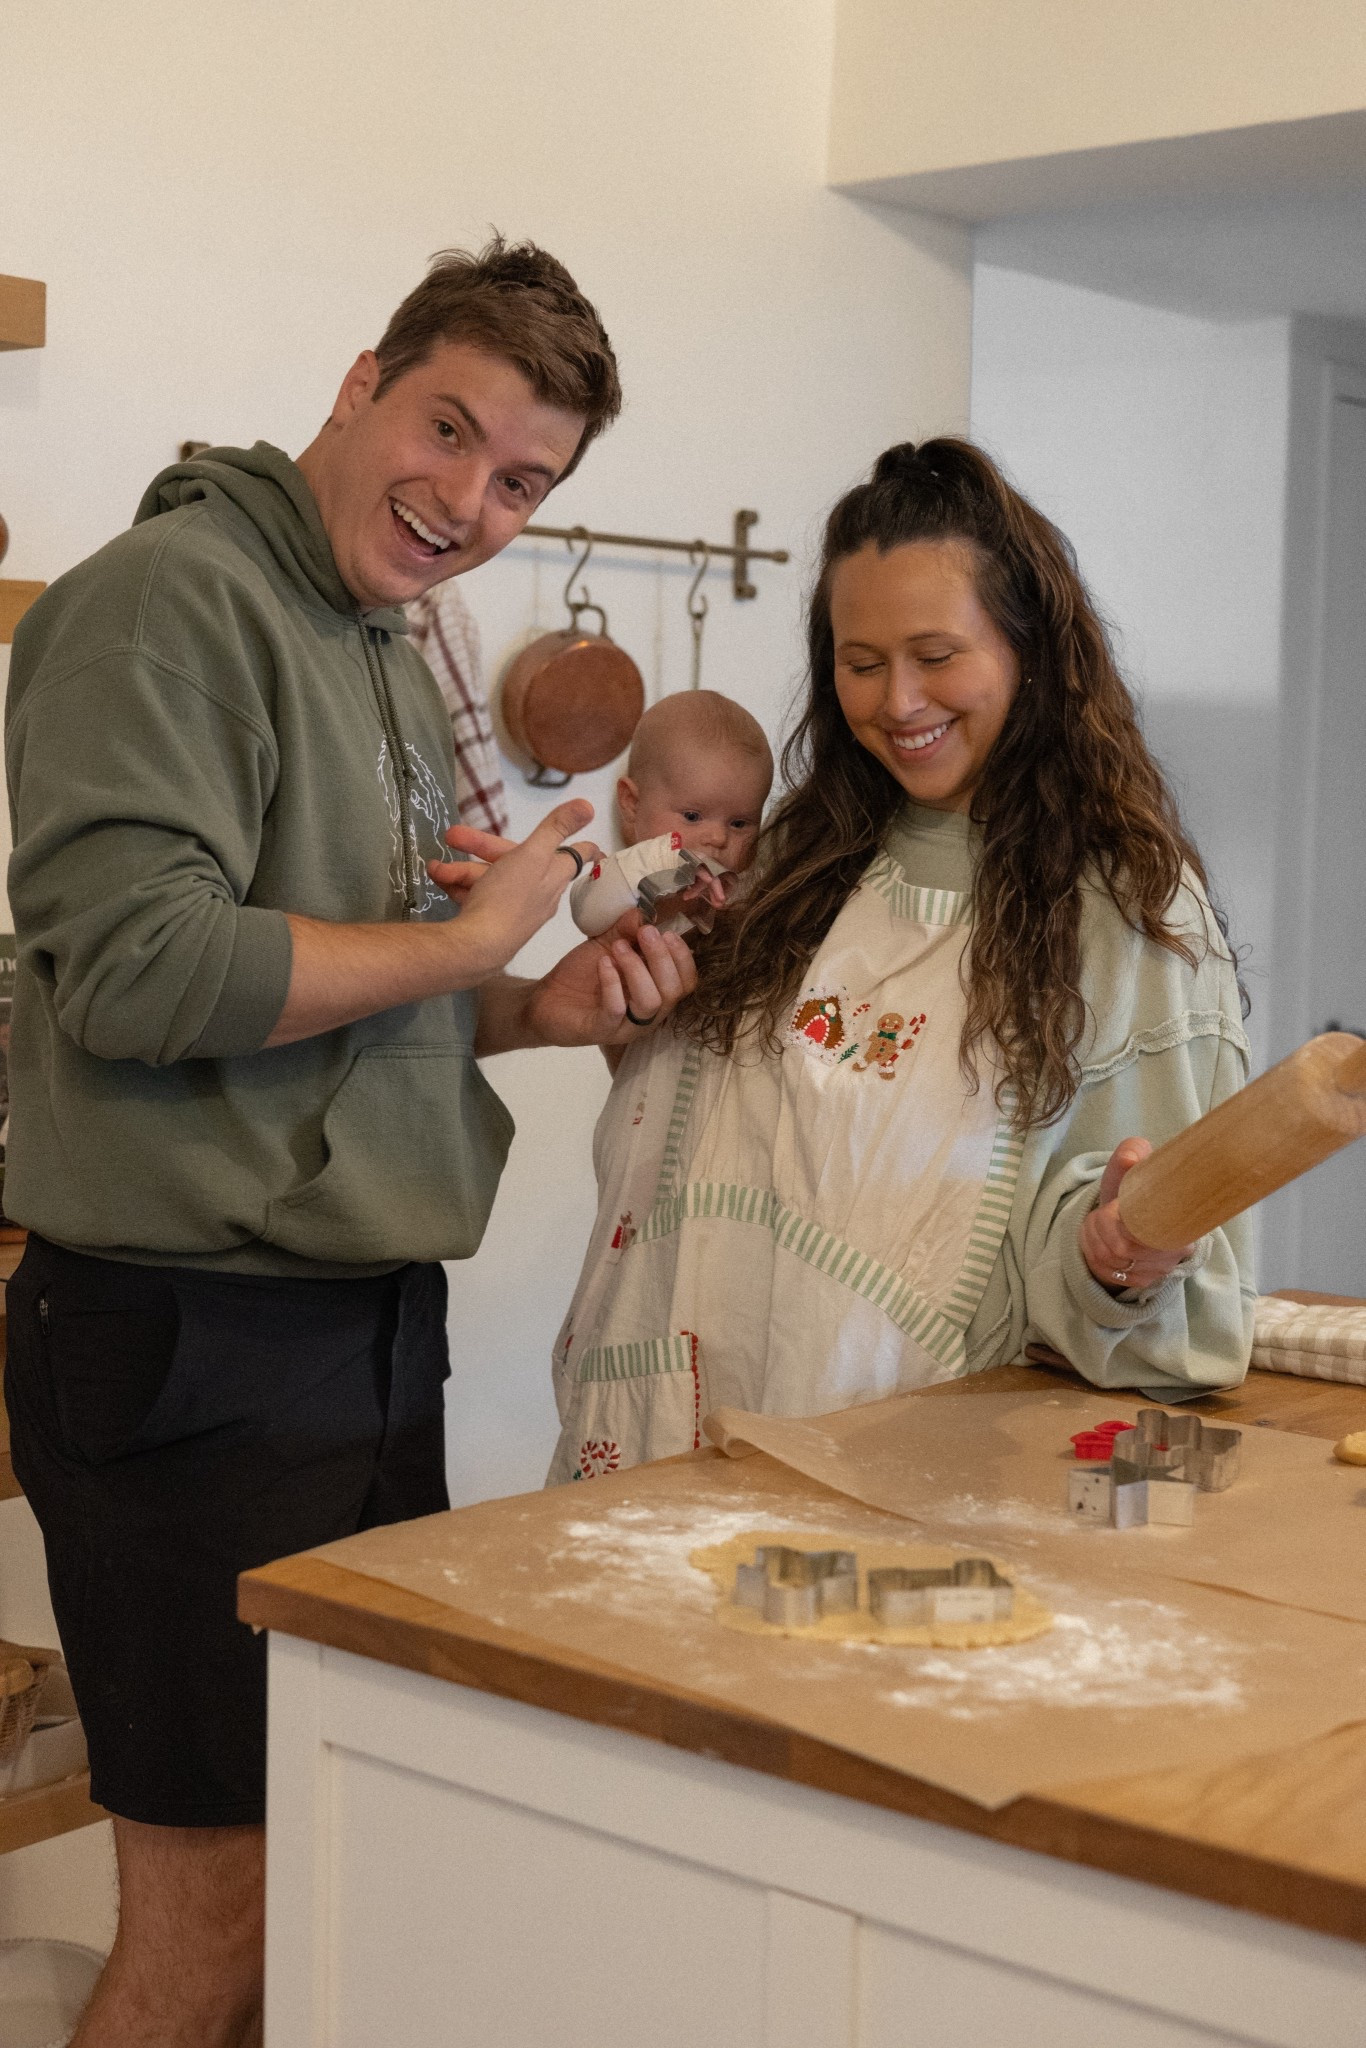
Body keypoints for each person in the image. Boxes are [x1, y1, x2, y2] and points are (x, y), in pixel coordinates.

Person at [3, 237, 694, 2048]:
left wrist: (532, 1008)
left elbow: (339, 981)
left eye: (519, 478)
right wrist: (476, 943)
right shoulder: (171, 601)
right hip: (188, 1339)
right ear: (359, 379)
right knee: (209, 1925)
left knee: (315, 1900)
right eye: (445, 429)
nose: (466, 500)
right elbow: (140, 968)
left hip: (354, 1327)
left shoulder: (386, 642)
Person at [548, 439, 1253, 1485]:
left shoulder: (1125, 912)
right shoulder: (795, 853)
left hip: (899, 1481)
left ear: (1028, 647)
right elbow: (700, 1130)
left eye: (936, 655)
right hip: (656, 1436)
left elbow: (1155, 1297)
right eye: (861, 662)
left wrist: (1122, 1255)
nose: (897, 703)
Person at [567, 690, 773, 938]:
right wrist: (668, 860)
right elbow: (587, 914)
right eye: (692, 816)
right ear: (632, 802)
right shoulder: (627, 877)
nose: (718, 838)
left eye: (739, 823)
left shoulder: (750, 891)